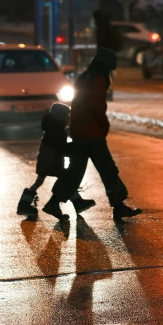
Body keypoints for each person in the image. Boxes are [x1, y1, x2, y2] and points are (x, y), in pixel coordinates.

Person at [42, 47, 142, 221]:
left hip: (80, 131)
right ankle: (118, 206)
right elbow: (96, 108)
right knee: (108, 169)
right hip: (92, 133)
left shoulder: (86, 77)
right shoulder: (97, 80)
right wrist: (104, 125)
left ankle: (53, 202)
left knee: (75, 172)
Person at [16, 102, 95, 220]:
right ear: (60, 117)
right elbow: (61, 148)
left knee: (41, 182)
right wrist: (75, 147)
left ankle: (25, 204)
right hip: (51, 162)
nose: (68, 118)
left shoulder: (52, 128)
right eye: (67, 116)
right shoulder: (57, 131)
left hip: (47, 161)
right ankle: (71, 203)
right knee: (65, 180)